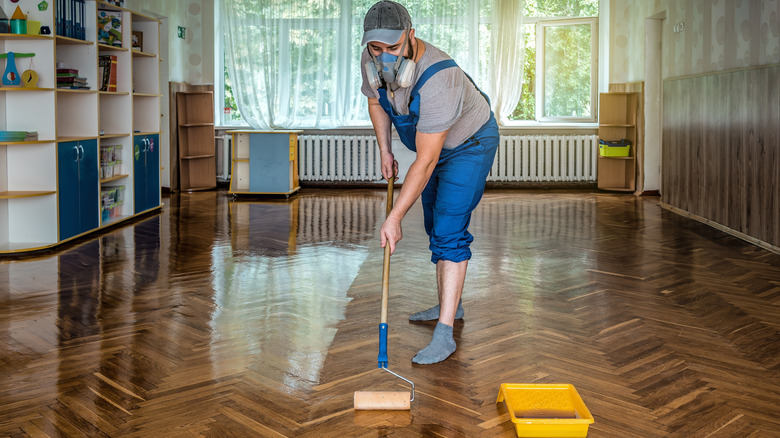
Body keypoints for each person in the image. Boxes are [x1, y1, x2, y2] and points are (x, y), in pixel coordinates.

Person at [360, 1, 499, 364]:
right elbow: (376, 103)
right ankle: (450, 304)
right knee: (433, 225)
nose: (385, 55)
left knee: (449, 229)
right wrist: (385, 151)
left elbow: (425, 160)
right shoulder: (370, 60)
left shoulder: (440, 76)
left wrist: (393, 217)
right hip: (433, 146)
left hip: (469, 144)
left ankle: (445, 332)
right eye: (377, 47)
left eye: (393, 47)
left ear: (411, 35)